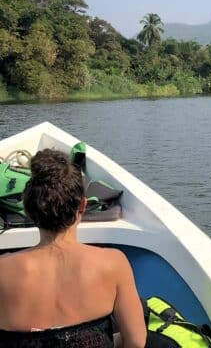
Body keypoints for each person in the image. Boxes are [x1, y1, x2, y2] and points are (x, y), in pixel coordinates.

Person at [0, 149, 146, 348]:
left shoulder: (3, 270)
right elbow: (136, 342)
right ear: (83, 206)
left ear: (28, 209)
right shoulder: (114, 264)